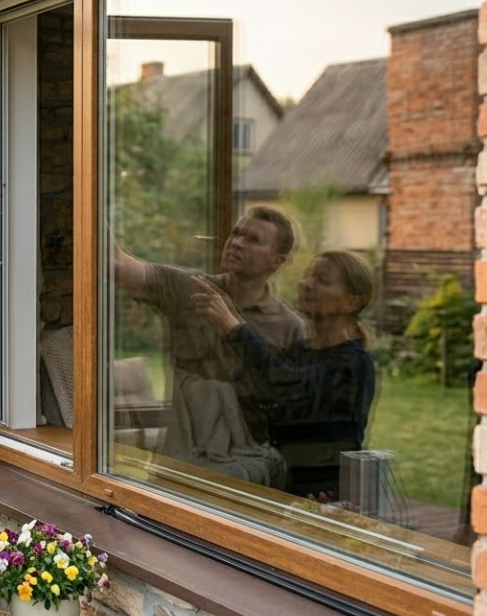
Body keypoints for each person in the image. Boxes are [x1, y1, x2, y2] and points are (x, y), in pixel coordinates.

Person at [113, 206, 306, 478]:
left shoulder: (289, 326)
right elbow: (118, 266)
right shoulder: (189, 288)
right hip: (179, 469)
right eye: (236, 233)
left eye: (253, 239)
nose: (236, 242)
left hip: (250, 478)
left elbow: (293, 412)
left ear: (277, 261)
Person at [191, 249, 377, 500]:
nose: (306, 284)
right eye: (308, 275)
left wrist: (233, 327)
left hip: (328, 498)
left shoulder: (352, 363)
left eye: (321, 280)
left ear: (351, 303)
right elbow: (267, 395)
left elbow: (288, 384)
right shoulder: (300, 350)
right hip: (286, 487)